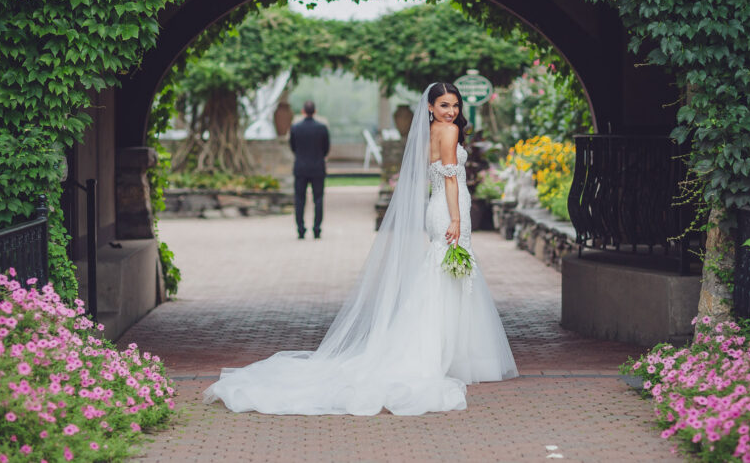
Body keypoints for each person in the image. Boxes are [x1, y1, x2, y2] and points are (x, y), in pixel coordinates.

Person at [203, 83, 517, 415]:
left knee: (443, 272)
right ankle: (446, 353)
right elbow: (452, 178)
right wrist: (455, 217)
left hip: (438, 207)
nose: (451, 111)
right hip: (449, 208)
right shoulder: (450, 132)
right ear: (429, 107)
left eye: (455, 105)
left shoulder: (431, 133)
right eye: (443, 105)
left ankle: (449, 351)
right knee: (448, 272)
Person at [289, 100, 330, 239]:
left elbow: (293, 147)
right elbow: (326, 149)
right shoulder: (322, 128)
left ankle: (300, 229)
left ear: (303, 111)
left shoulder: (295, 128)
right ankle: (317, 229)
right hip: (318, 167)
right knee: (318, 199)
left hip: (300, 168)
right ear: (315, 111)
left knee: (300, 199)